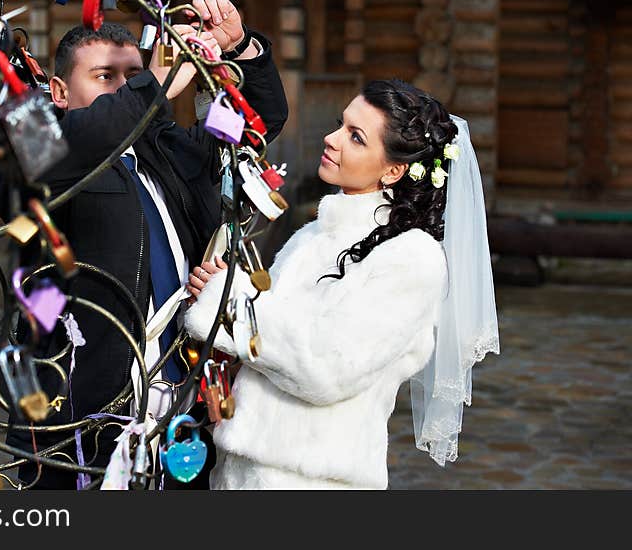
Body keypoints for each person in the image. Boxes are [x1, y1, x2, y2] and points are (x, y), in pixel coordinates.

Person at [0, 0, 288, 489]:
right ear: (60, 91)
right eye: (107, 77)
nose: (126, 89)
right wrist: (154, 83)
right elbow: (81, 140)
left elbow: (258, 127)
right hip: (80, 413)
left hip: (182, 404)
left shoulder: (164, 146)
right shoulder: (31, 146)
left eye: (132, 76)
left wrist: (243, 48)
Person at [184, 78, 499, 489]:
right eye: (340, 124)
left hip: (311, 480)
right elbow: (268, 347)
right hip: (241, 470)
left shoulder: (412, 259)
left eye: (355, 137)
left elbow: (326, 367)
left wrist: (231, 302)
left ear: (393, 169)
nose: (331, 139)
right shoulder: (313, 235)